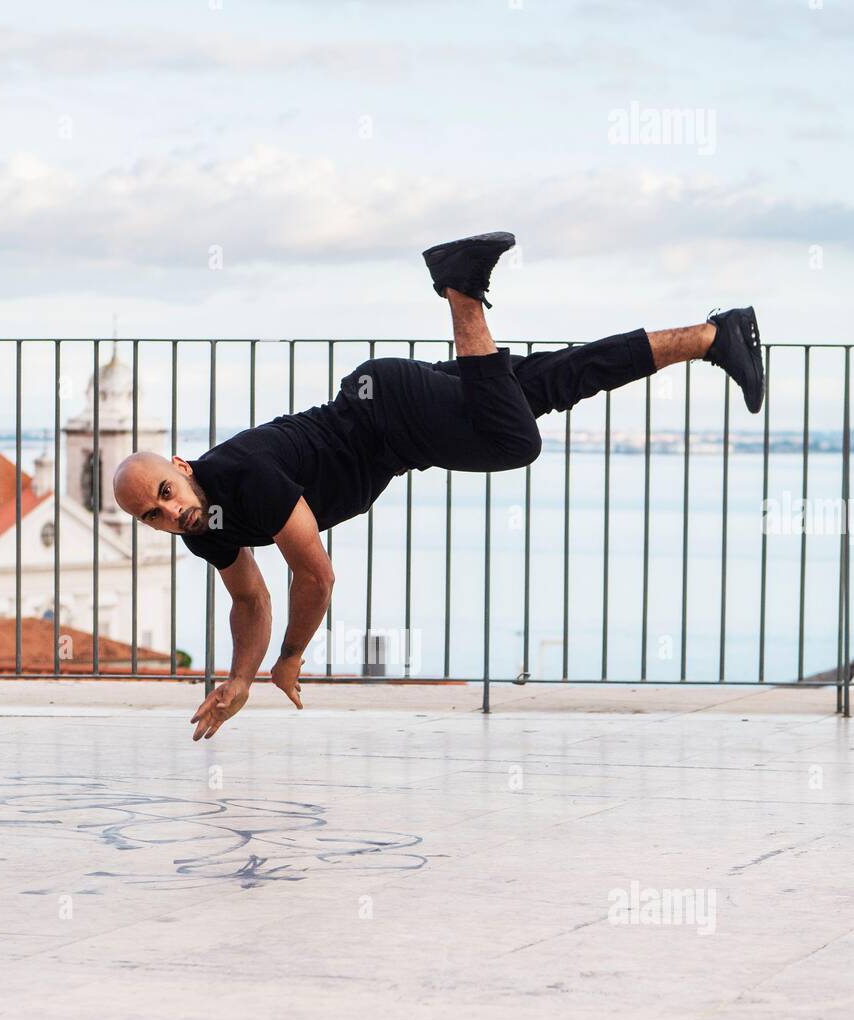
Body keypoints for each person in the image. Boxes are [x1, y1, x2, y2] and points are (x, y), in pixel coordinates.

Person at [112, 231, 764, 741]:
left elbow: (314, 577)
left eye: (166, 493)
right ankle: (715, 336)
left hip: (393, 411)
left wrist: (289, 658)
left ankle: (458, 283)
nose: (169, 514)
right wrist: (240, 680)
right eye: (152, 516)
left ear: (183, 466)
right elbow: (249, 602)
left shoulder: (244, 480)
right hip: (401, 416)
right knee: (555, 382)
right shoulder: (206, 531)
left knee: (513, 442)